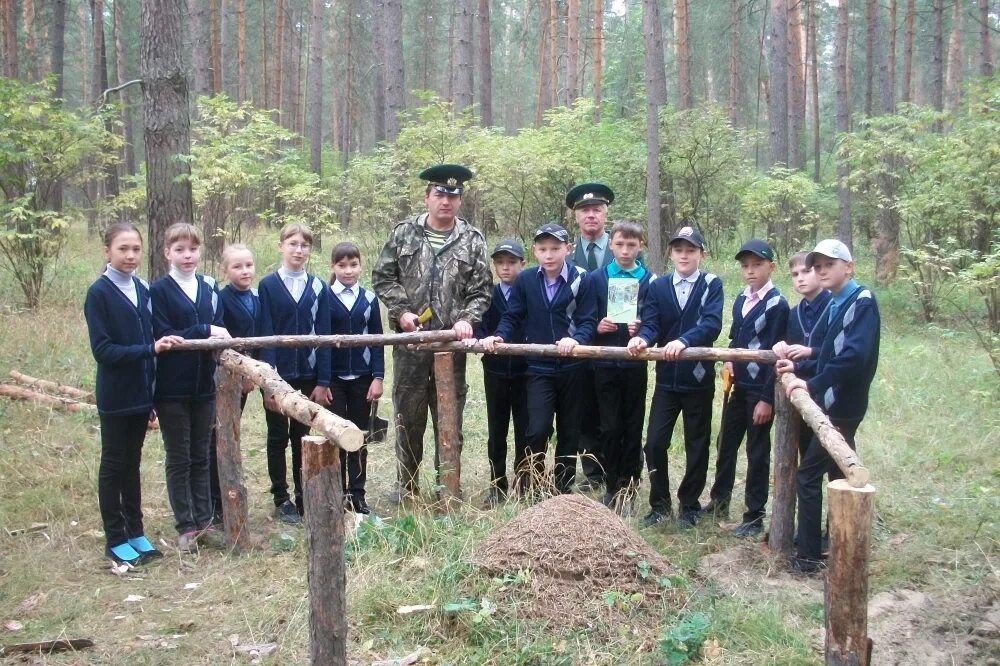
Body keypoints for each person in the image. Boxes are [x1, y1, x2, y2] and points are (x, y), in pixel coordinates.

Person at [371, 164, 492, 502]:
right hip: (410, 345)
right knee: (408, 416)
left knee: (448, 417)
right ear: (427, 197)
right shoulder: (403, 234)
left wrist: (468, 318)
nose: (446, 202)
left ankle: (448, 487)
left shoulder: (473, 240)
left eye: (453, 196)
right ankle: (406, 486)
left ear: (460, 201)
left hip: (450, 348)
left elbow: (482, 290)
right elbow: (383, 277)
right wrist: (402, 312)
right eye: (439, 194)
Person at [777, 239, 880, 574]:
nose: (821, 271)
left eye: (828, 265)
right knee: (839, 471)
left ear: (848, 266)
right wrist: (804, 362)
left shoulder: (860, 301)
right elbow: (830, 353)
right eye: (817, 266)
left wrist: (812, 383)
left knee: (808, 475)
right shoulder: (837, 302)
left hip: (842, 405)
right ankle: (838, 540)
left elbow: (853, 357)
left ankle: (807, 556)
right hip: (832, 400)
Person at [84, 223, 182, 565]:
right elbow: (104, 351)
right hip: (115, 396)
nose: (129, 256)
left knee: (132, 465)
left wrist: (151, 393)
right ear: (107, 251)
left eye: (135, 249)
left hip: (142, 396)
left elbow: (148, 346)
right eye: (122, 249)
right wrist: (150, 350)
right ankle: (115, 537)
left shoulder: (141, 289)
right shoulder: (99, 293)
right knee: (114, 464)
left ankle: (136, 531)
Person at [481, 223, 597, 495]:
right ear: (534, 252)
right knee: (537, 429)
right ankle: (536, 483)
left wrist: (576, 339)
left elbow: (588, 320)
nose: (549, 255)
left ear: (568, 249)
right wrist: (499, 335)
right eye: (543, 249)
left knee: (570, 431)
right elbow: (513, 315)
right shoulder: (527, 280)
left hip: (573, 366)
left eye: (555, 248)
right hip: (538, 367)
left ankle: (562, 488)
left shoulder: (583, 279)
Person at [627, 226, 723, 528]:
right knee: (654, 442)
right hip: (667, 380)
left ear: (701, 254)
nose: (684, 255)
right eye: (679, 249)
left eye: (690, 250)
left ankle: (689, 505)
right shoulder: (659, 286)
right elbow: (652, 323)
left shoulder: (711, 284)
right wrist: (642, 338)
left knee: (697, 442)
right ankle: (659, 504)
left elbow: (711, 324)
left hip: (698, 379)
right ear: (671, 253)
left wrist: (684, 340)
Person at [150, 222, 231, 552]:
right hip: (172, 388)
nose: (187, 255)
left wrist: (215, 332)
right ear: (167, 252)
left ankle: (204, 520)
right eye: (180, 249)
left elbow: (221, 328)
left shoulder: (209, 287)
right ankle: (185, 526)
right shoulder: (158, 291)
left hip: (203, 386)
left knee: (201, 455)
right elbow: (166, 332)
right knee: (179, 456)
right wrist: (204, 328)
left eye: (193, 249)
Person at [704, 239, 789, 538]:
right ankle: (719, 500)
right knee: (725, 443)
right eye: (745, 266)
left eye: (757, 265)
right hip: (738, 386)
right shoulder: (742, 298)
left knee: (756, 451)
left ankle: (754, 515)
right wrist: (729, 360)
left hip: (760, 389)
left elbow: (775, 355)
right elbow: (735, 338)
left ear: (771, 267)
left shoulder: (778, 305)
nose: (750, 271)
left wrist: (767, 399)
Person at [258, 223, 332, 524]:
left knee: (302, 436)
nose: (298, 250)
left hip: (308, 375)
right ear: (281, 246)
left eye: (304, 245)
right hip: (279, 377)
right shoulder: (268, 285)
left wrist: (323, 380)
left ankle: (304, 495)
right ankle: (281, 498)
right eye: (292, 244)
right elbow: (266, 334)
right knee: (278, 437)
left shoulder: (318, 287)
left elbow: (325, 334)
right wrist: (269, 385)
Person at [589, 221, 657, 515]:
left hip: (634, 365)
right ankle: (611, 484)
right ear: (611, 245)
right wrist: (597, 327)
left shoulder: (651, 280)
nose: (626, 251)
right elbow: (584, 318)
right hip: (604, 364)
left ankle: (630, 485)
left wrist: (642, 330)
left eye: (632, 245)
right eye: (620, 244)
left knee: (632, 425)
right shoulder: (597, 278)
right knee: (609, 426)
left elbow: (655, 320)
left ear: (640, 246)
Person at [327, 241, 384, 516]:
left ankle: (357, 494)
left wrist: (378, 377)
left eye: (353, 265)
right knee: (338, 436)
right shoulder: (325, 298)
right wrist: (322, 381)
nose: (348, 271)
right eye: (342, 265)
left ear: (360, 265)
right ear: (333, 267)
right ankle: (337, 493)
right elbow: (322, 342)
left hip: (362, 378)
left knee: (360, 436)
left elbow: (377, 341)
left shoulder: (369, 299)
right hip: (334, 380)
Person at [567, 182, 617, 491]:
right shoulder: (564, 252)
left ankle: (620, 470)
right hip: (578, 344)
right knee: (583, 410)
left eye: (597, 210)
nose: (591, 215)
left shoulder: (622, 247)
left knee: (615, 412)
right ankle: (593, 474)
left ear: (606, 214)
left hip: (618, 344)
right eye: (585, 210)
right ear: (576, 217)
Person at [474, 239, 529, 508]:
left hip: (525, 371)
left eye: (511, 263)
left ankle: (525, 481)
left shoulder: (530, 291)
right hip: (495, 370)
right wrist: (481, 338)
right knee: (497, 429)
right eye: (500, 263)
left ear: (523, 264)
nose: (506, 268)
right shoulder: (489, 295)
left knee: (525, 427)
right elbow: (480, 326)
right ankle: (497, 485)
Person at [215, 243, 262, 523]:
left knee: (233, 431)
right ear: (225, 270)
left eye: (248, 265)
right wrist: (242, 373)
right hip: (228, 376)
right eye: (237, 266)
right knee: (223, 435)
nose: (245, 271)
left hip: (249, 373)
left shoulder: (256, 297)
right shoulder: (222, 299)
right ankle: (219, 499)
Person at [772, 251, 832, 457]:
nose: (800, 278)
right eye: (795, 274)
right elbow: (788, 345)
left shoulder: (834, 307)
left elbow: (839, 352)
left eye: (806, 271)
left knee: (834, 458)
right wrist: (781, 346)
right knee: (805, 453)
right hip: (801, 391)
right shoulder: (794, 312)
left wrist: (812, 351)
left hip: (830, 392)